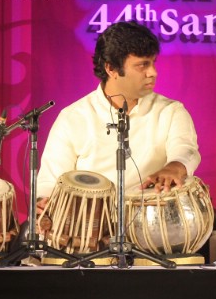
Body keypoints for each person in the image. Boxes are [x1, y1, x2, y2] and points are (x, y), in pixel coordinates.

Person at [37, 21, 201, 208]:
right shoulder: (73, 118)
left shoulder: (170, 111)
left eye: (153, 63)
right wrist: (45, 204)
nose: (153, 72)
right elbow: (50, 180)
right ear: (111, 69)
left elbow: (186, 150)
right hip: (89, 228)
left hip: (150, 224)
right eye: (142, 65)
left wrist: (175, 167)